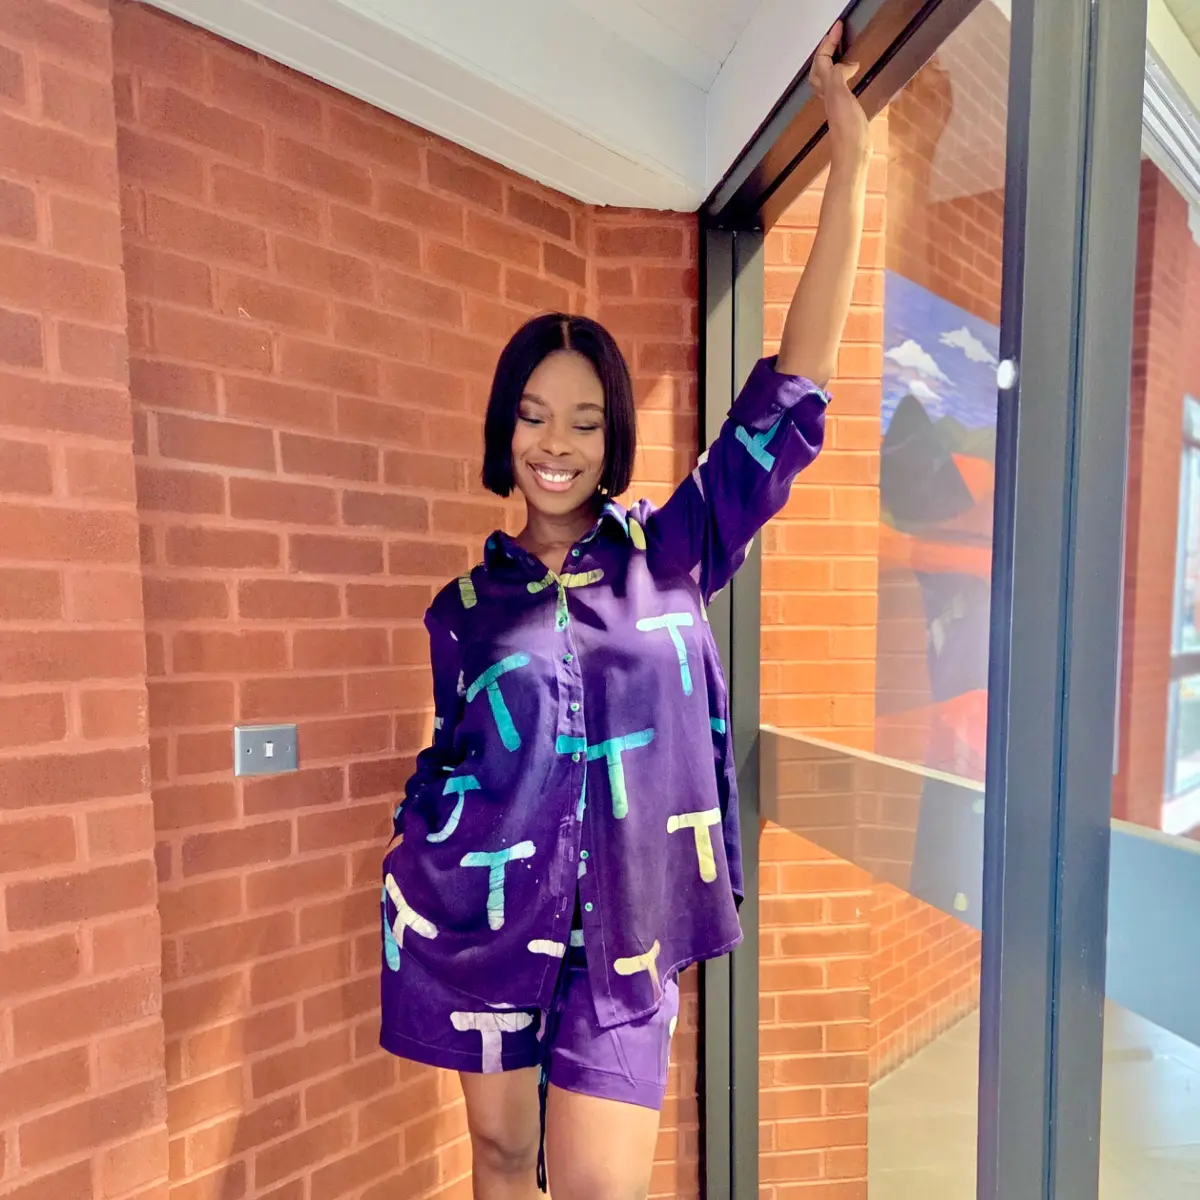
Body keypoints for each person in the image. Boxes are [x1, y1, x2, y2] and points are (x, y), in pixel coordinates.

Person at [380, 22, 870, 1200]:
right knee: (500, 1161)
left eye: (586, 419)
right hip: (479, 928)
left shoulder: (672, 548)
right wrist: (418, 854)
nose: (558, 442)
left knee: (600, 1188)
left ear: (614, 438)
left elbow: (788, 394)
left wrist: (852, 171)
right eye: (536, 416)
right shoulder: (460, 607)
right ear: (505, 428)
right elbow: (457, 757)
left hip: (629, 935)